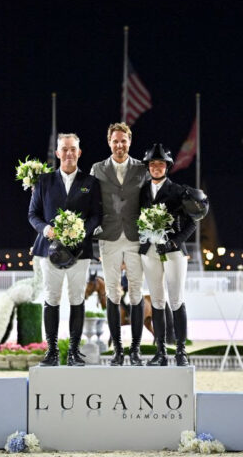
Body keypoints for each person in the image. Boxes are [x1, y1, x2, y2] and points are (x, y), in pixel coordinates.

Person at [28, 133, 102, 366]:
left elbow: (97, 216)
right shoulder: (44, 181)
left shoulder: (91, 183)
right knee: (51, 298)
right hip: (48, 250)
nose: (69, 153)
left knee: (77, 298)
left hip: (80, 252)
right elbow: (33, 215)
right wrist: (46, 229)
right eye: (64, 149)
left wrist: (82, 231)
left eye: (73, 149)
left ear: (79, 153)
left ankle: (73, 352)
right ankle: (51, 352)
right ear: (57, 153)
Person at [138, 143, 201, 366]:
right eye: (153, 164)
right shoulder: (141, 191)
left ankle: (181, 351)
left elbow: (192, 224)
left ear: (167, 166)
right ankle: (161, 351)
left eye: (160, 164)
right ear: (148, 167)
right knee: (156, 300)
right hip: (149, 251)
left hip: (173, 251)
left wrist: (175, 241)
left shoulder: (178, 191)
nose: (156, 167)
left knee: (176, 299)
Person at [90, 122, 148, 366]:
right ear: (109, 142)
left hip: (136, 237)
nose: (119, 145)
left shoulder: (142, 168)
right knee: (112, 292)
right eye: (115, 140)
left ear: (130, 142)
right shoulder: (97, 168)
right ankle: (117, 350)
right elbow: (91, 202)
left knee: (136, 293)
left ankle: (135, 349)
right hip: (109, 236)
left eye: (123, 140)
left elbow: (150, 201)